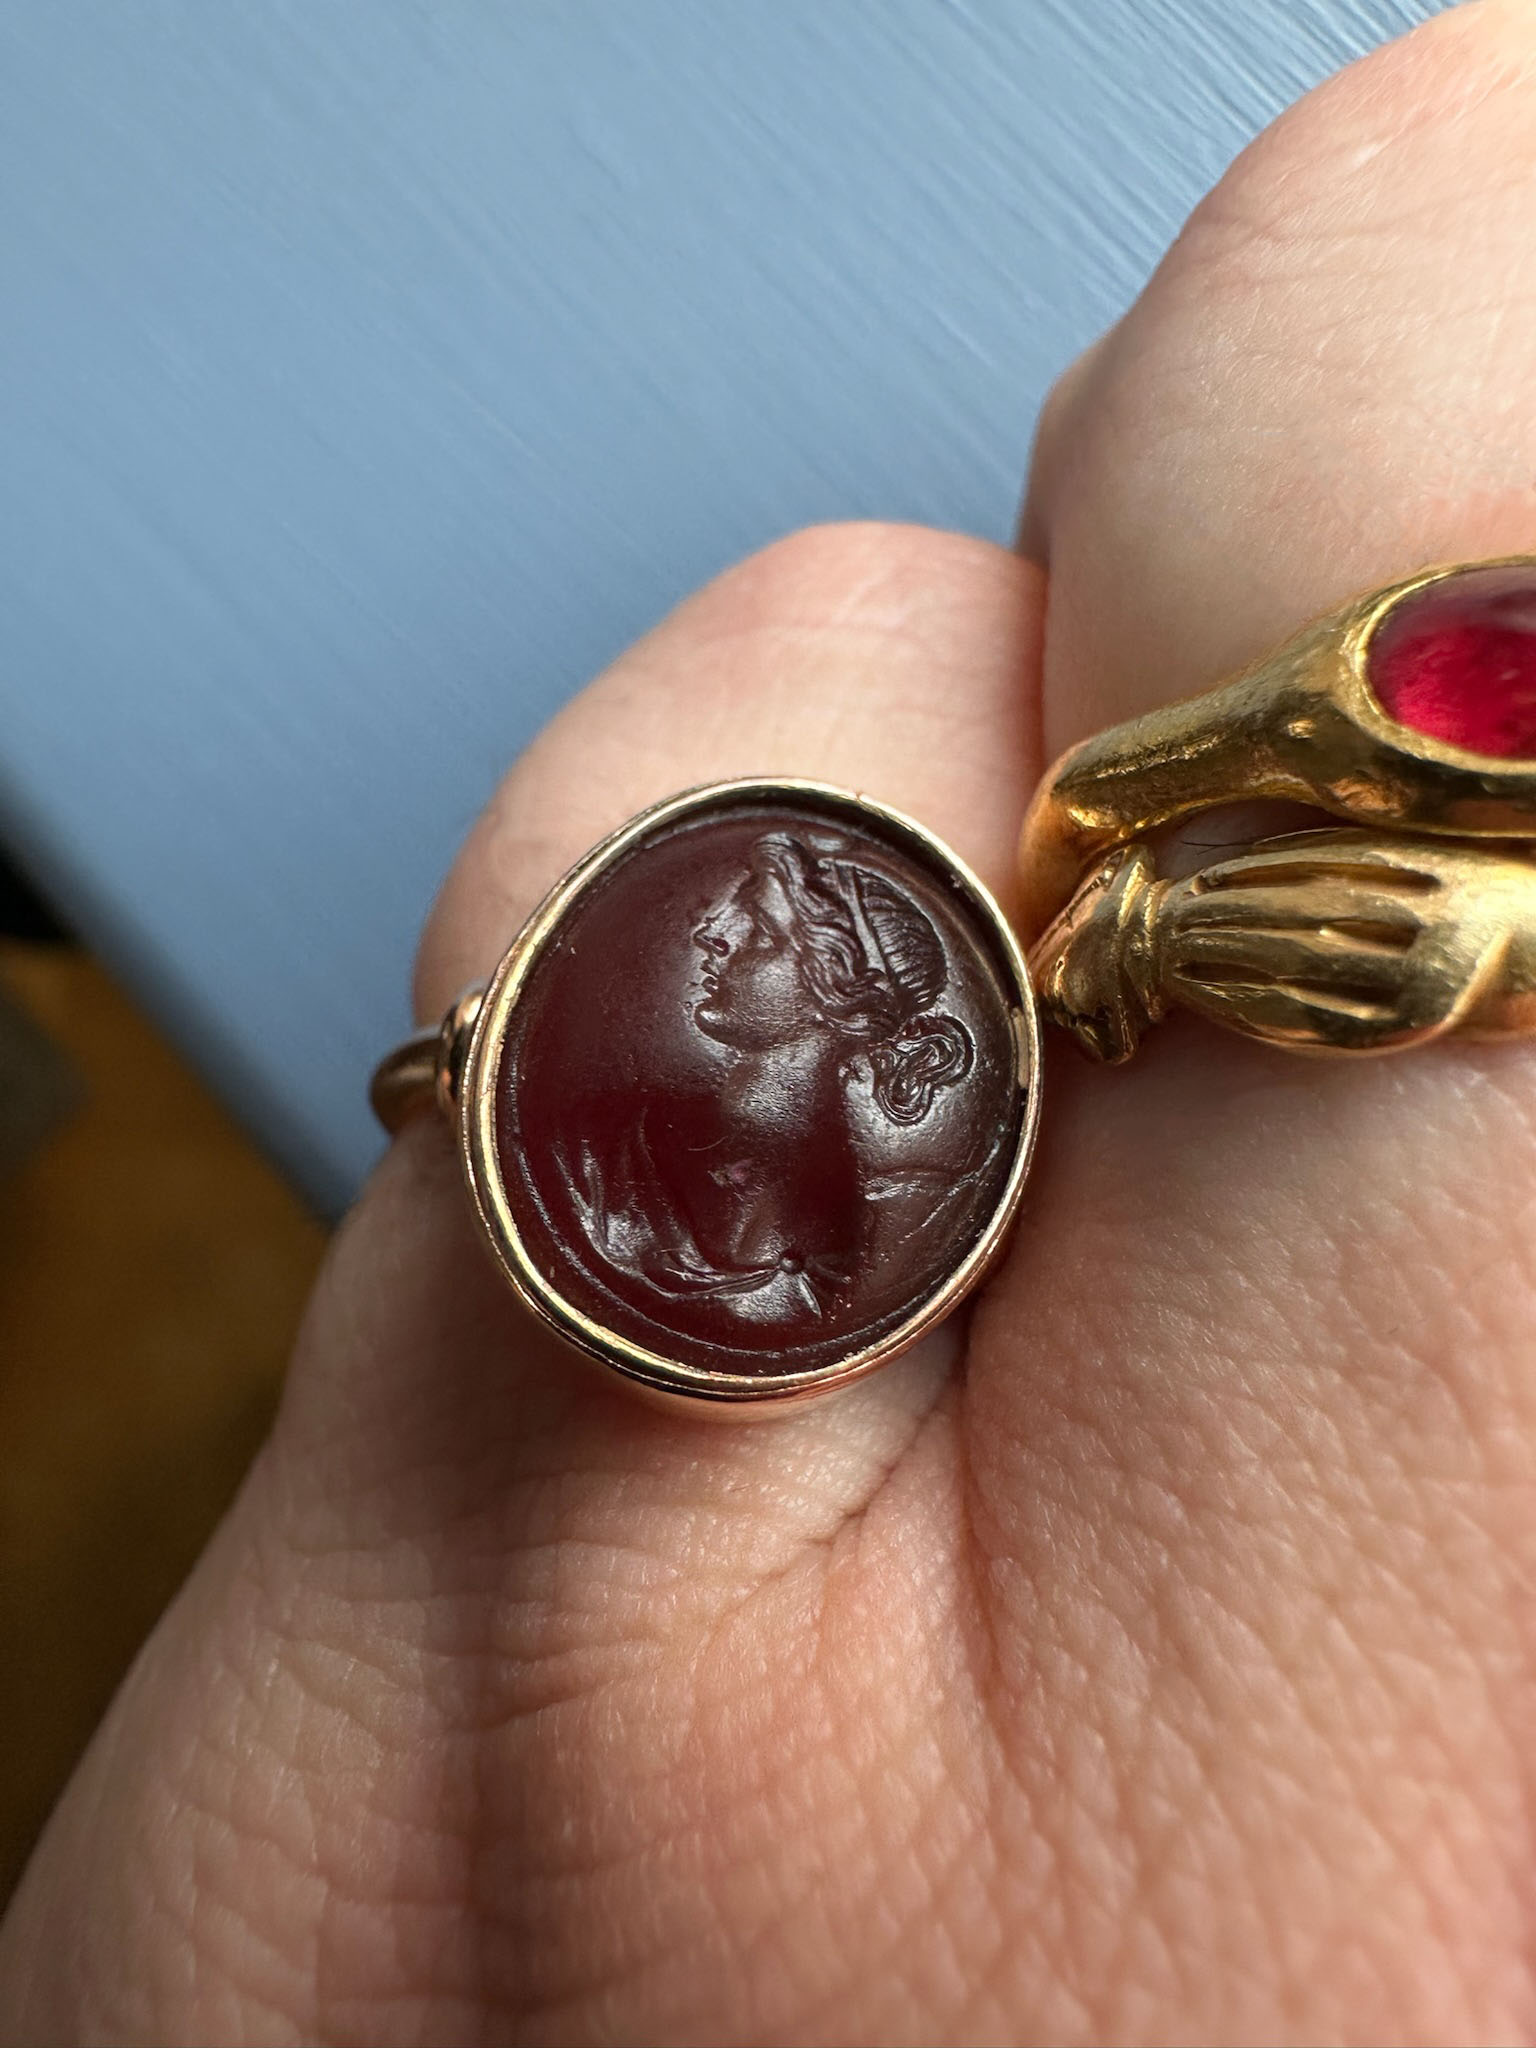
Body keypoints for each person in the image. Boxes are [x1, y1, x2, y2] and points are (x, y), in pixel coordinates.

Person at [2, 6, 1532, 2039]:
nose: (762, 932)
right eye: (745, 951)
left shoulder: (825, 1108)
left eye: (775, 946)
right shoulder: (690, 1190)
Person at [558, 831, 973, 1328]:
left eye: (758, 931)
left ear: (834, 989)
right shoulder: (614, 1153)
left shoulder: (847, 1238)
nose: (714, 934)